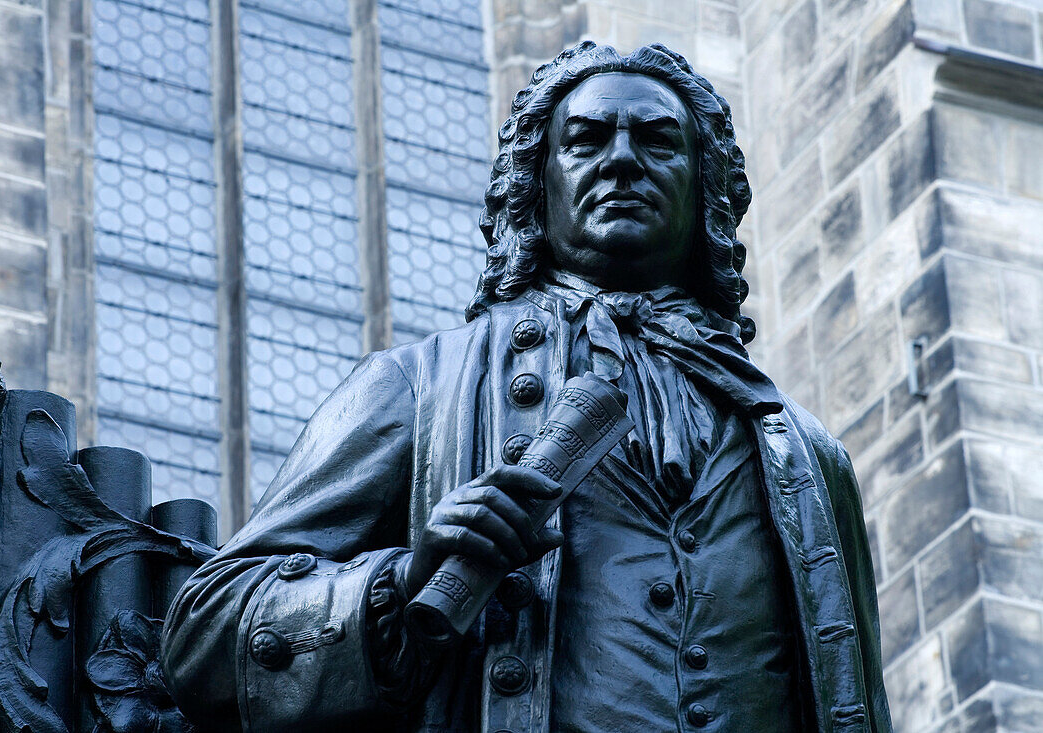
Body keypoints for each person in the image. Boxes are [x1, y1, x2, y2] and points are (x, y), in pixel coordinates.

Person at [161, 41, 893, 732]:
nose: (623, 161)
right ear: (535, 185)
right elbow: (203, 633)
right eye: (586, 139)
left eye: (659, 140)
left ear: (706, 190)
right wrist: (403, 576)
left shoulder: (806, 453)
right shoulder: (422, 384)